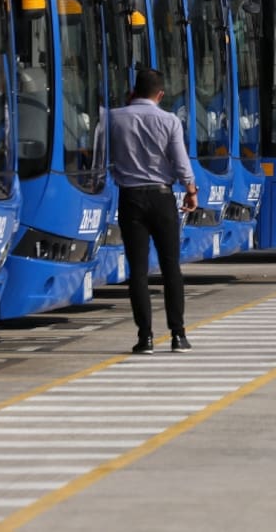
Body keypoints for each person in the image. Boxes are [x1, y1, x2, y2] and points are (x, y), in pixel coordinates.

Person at [109, 68, 197, 354]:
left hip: (130, 198)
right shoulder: (169, 120)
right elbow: (181, 162)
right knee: (171, 266)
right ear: (160, 94)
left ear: (133, 92)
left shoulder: (113, 117)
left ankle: (144, 337)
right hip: (162, 198)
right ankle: (178, 335)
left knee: (138, 270)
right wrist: (191, 190)